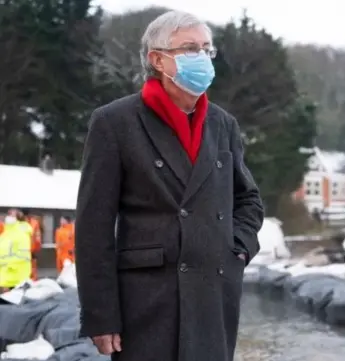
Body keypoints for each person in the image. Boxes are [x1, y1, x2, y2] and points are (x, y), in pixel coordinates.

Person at [75, 10, 264, 361]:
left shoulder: (224, 125)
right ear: (157, 60)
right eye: (190, 48)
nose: (203, 58)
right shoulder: (114, 123)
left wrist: (237, 247)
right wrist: (100, 315)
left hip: (213, 293)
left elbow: (248, 199)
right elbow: (93, 228)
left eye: (207, 49)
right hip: (146, 300)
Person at [0, 209, 33, 290]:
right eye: (8, 215)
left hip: (15, 275)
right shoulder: (6, 233)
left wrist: (7, 264)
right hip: (6, 275)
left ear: (18, 218)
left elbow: (24, 256)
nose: (8, 217)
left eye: (12, 215)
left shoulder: (22, 233)